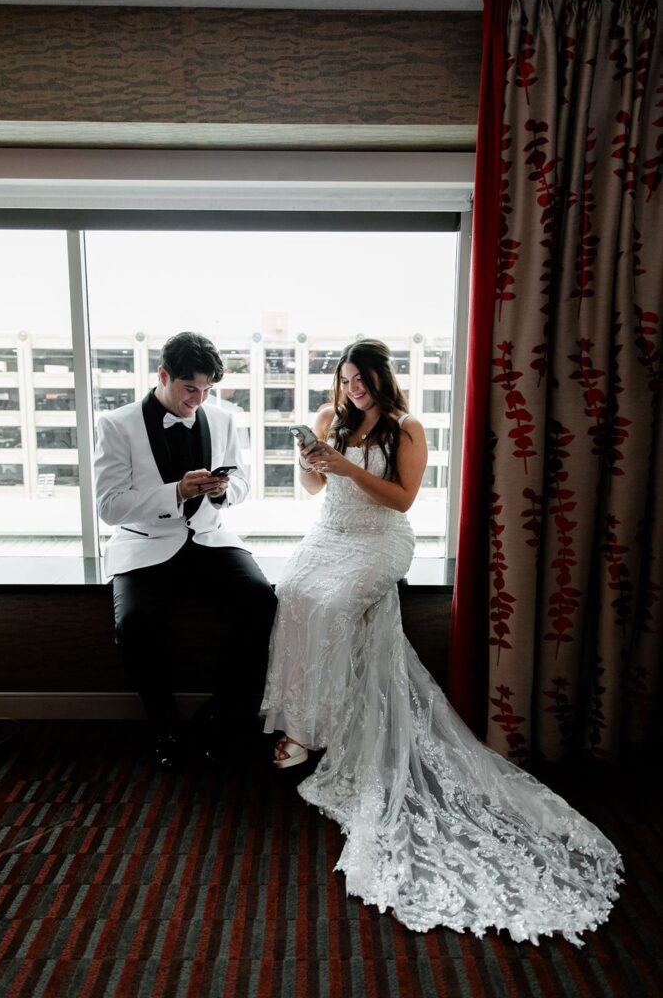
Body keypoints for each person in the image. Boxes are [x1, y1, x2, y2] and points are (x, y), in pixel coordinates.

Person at [260, 338, 622, 945]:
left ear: (381, 377)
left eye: (362, 378)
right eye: (346, 379)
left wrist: (347, 466)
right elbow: (313, 492)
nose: (353, 388)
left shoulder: (405, 426)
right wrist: (310, 460)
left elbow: (403, 499)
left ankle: (317, 727)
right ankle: (302, 721)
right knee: (294, 593)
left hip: (378, 539)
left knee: (332, 603)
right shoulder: (330, 418)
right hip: (329, 532)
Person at [94, 331, 277, 773]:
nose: (199, 399)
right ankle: (166, 726)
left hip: (210, 538)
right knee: (135, 625)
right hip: (145, 546)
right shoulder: (117, 424)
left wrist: (222, 492)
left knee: (262, 602)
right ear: (163, 375)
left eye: (208, 390)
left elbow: (243, 484)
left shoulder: (225, 420)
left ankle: (221, 716)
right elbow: (108, 506)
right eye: (190, 388)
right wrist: (174, 491)